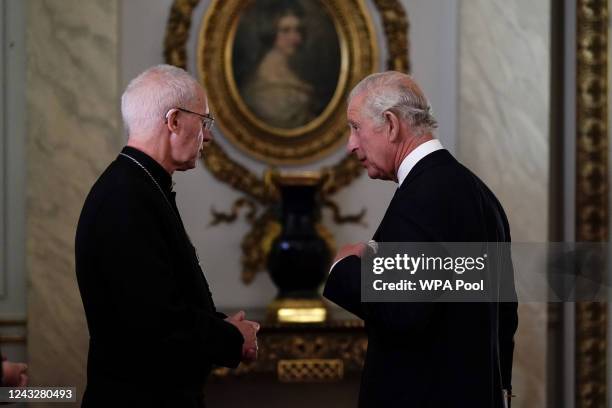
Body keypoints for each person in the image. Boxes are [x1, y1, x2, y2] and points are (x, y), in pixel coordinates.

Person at [323, 71, 518, 408]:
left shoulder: (423, 195)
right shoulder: (478, 192)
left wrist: (344, 267)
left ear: (391, 124)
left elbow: (403, 311)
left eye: (355, 127)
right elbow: (505, 315)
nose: (351, 144)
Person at [75, 64, 259, 407]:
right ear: (174, 120)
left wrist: (220, 328)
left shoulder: (138, 186)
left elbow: (163, 296)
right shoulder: (125, 198)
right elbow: (154, 323)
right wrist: (231, 339)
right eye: (204, 122)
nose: (210, 136)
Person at [241, 1, 316, 129]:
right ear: (271, 32)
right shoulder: (264, 79)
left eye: (297, 30)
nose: (295, 38)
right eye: (286, 31)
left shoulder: (291, 69)